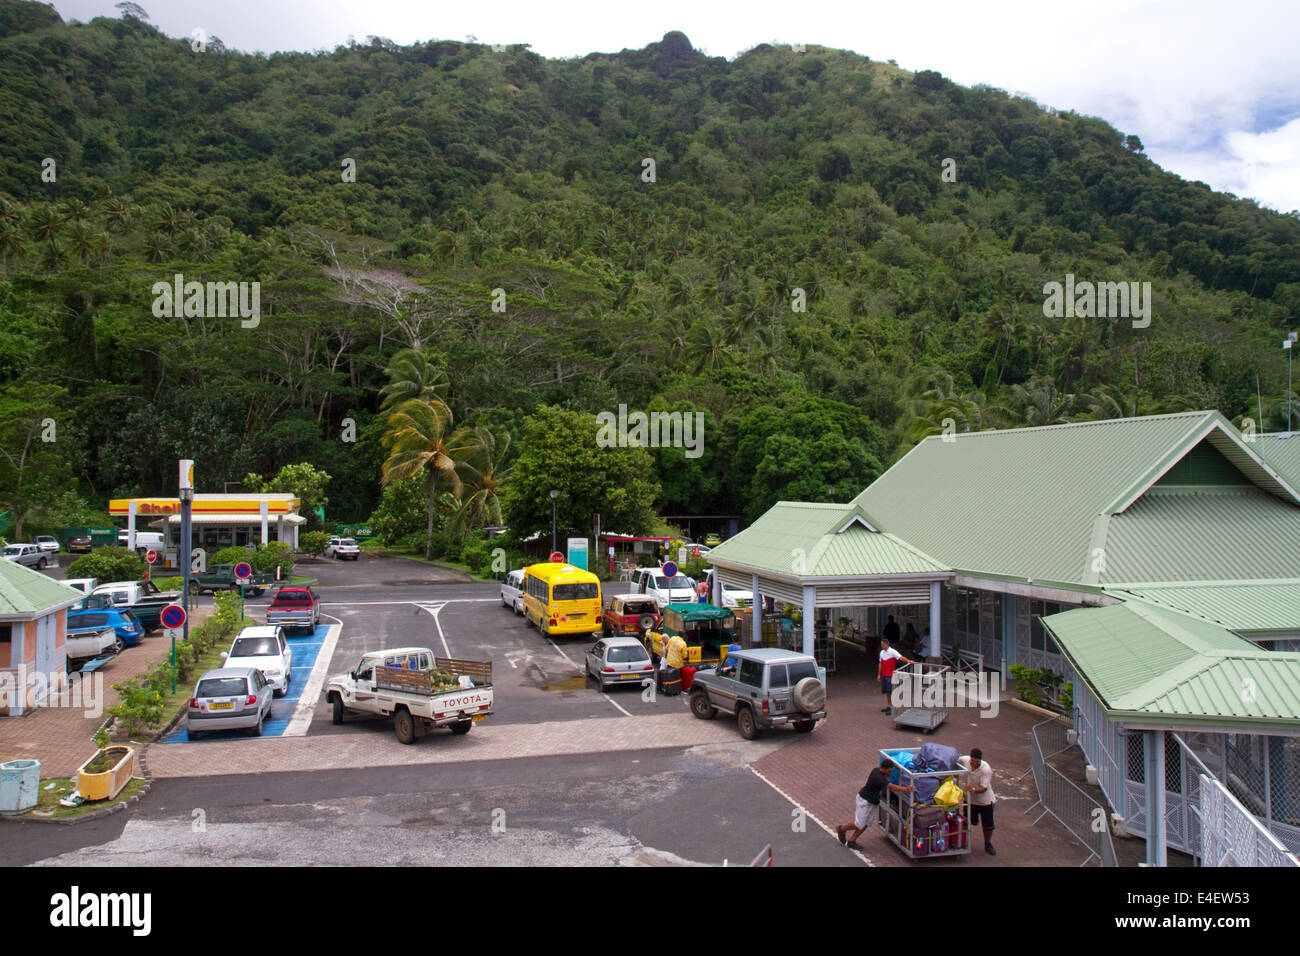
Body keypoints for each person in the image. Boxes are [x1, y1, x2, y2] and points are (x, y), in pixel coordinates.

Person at [838, 758, 913, 850]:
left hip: (872, 801)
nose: (890, 773)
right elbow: (891, 787)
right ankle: (842, 829)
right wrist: (906, 789)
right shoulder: (878, 777)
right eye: (889, 771)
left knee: (867, 822)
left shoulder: (879, 772)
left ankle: (852, 841)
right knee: (859, 823)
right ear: (884, 769)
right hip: (864, 801)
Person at [958, 747, 998, 856]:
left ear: (980, 760)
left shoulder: (986, 769)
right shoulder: (965, 760)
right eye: (973, 761)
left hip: (984, 801)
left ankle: (988, 843)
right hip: (970, 800)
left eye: (977, 761)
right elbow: (956, 759)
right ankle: (964, 841)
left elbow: (983, 788)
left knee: (988, 824)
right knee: (966, 821)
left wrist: (973, 790)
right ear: (970, 758)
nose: (974, 763)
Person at [878, 637, 914, 716]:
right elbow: (880, 663)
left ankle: (893, 707)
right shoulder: (881, 652)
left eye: (883, 644)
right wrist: (879, 674)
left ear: (886, 644)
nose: (881, 646)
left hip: (890, 675)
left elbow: (900, 657)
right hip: (884, 674)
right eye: (881, 644)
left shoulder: (892, 652)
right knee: (887, 691)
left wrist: (908, 661)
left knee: (891, 691)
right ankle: (889, 706)